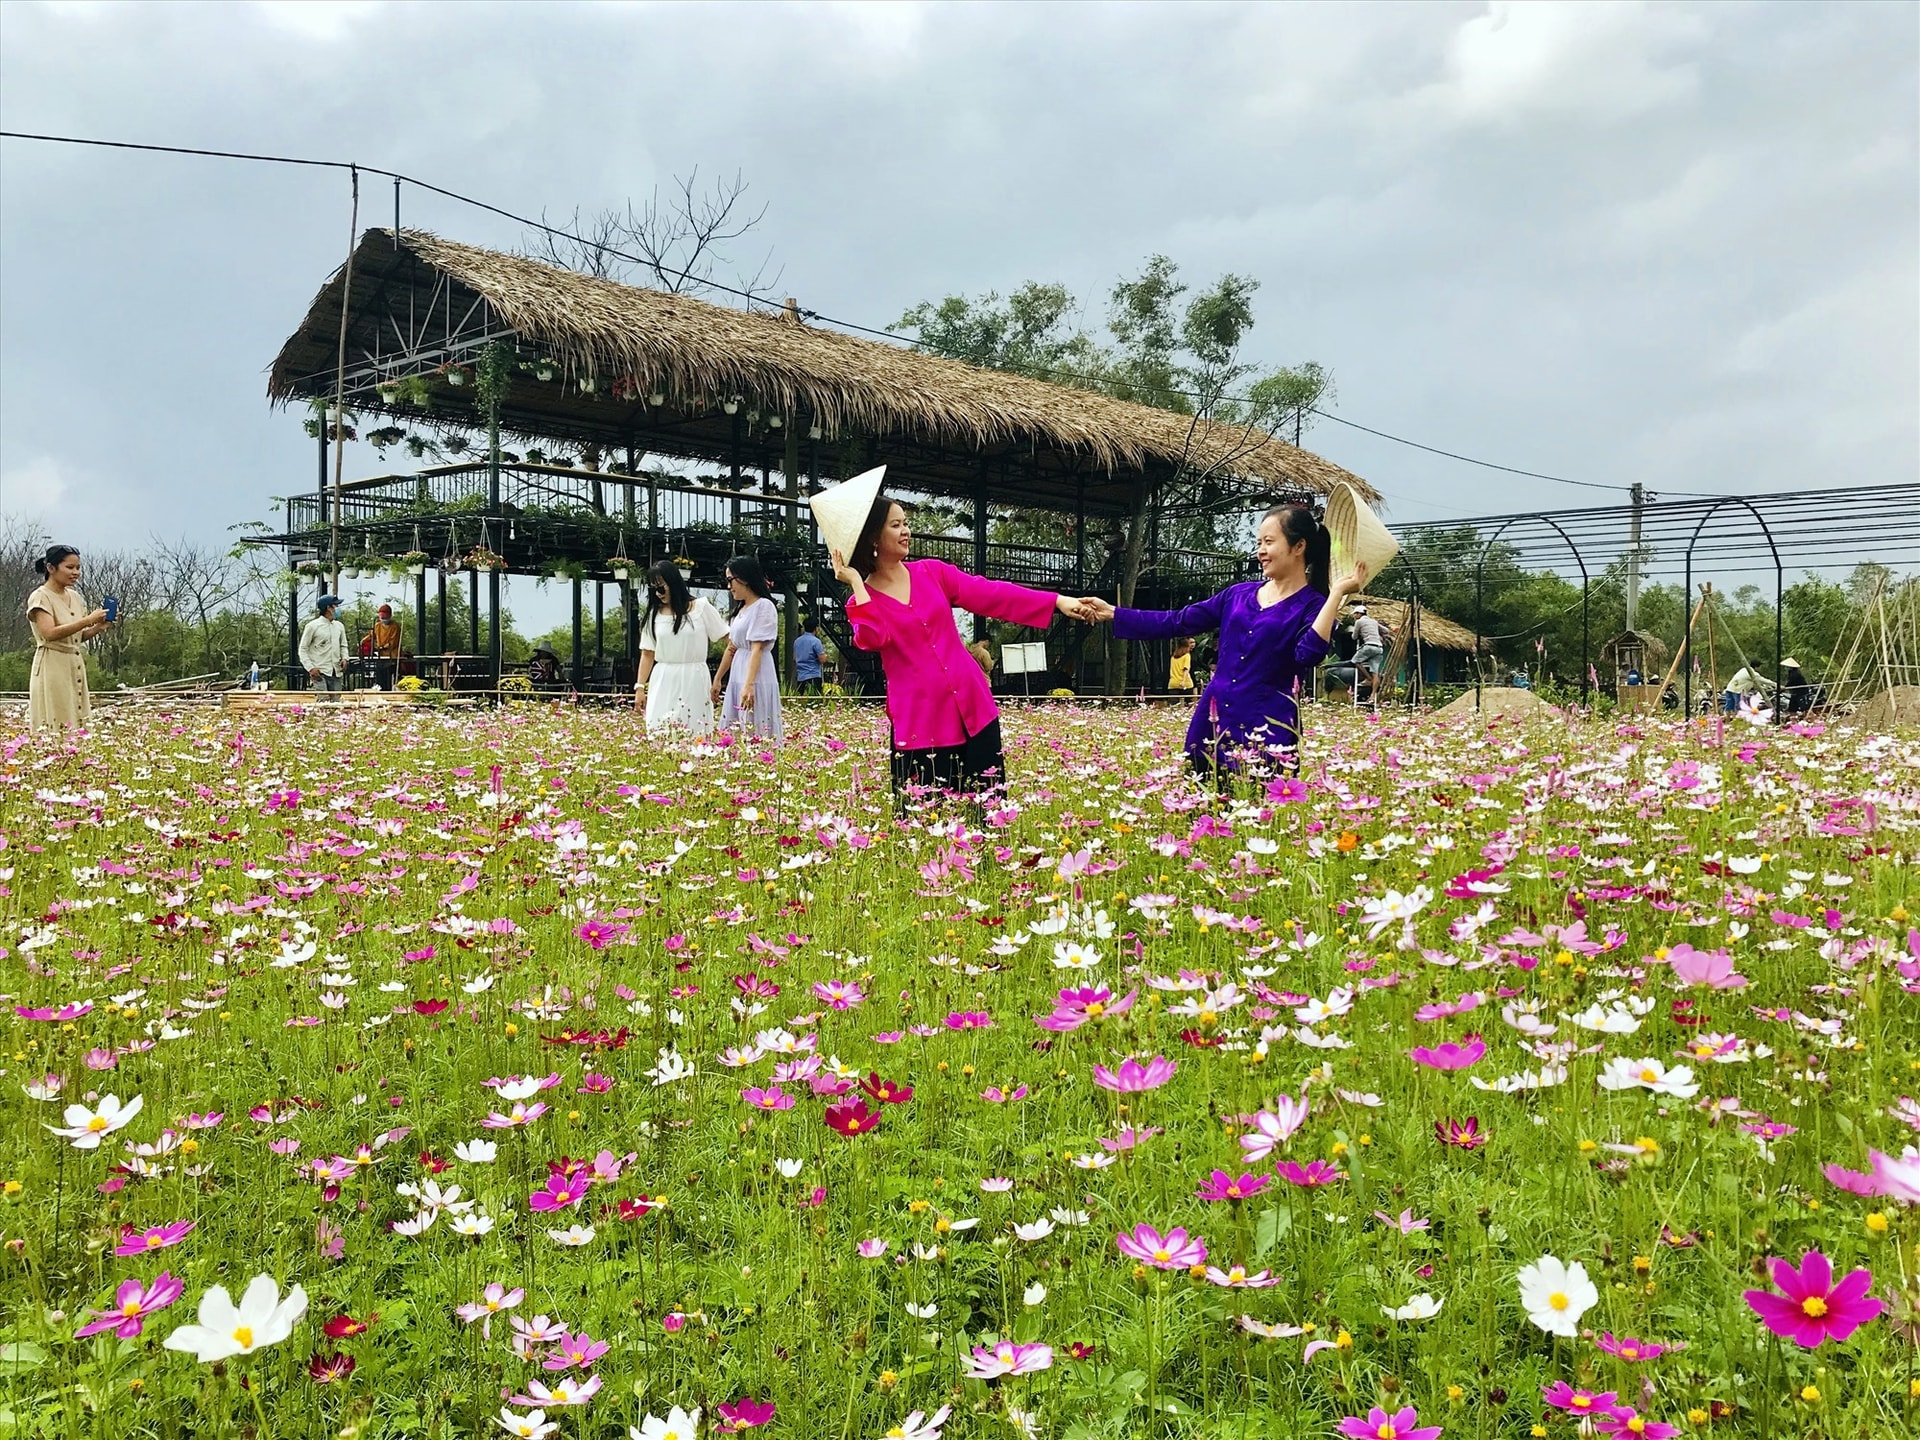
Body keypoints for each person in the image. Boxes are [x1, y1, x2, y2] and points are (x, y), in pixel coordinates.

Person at [831, 491, 1095, 795]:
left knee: (991, 812)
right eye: (895, 525)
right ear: (873, 537)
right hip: (921, 723)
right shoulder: (863, 600)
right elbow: (872, 638)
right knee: (923, 823)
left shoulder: (932, 572)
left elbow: (991, 594)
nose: (906, 531)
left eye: (905, 523)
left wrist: (1057, 601)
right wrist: (855, 582)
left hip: (974, 708)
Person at [1085, 504, 1363, 778]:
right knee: (1200, 812)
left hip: (1268, 729)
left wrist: (1335, 594)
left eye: (1269, 542)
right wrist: (1113, 613)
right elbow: (1177, 621)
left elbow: (1308, 656)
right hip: (1213, 721)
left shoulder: (1314, 607)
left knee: (1259, 814)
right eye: (1259, 542)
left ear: (1299, 546)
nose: (1261, 551)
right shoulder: (1237, 595)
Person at [636, 561, 729, 734]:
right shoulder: (653, 615)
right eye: (653, 590)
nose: (658, 594)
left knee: (695, 728)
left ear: (673, 583)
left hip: (695, 677)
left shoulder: (701, 608)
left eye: (661, 588)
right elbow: (647, 653)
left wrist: (720, 676)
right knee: (659, 728)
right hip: (664, 677)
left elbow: (729, 640)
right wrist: (640, 687)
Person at [26, 544, 110, 731]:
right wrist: (87, 620)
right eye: (70, 567)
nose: (76, 573)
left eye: (78, 568)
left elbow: (75, 638)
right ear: (51, 568)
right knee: (56, 719)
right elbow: (49, 633)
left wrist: (97, 627)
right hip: (52, 665)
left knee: (78, 717)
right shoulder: (40, 597)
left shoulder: (75, 597)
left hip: (74, 663)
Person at [711, 555, 783, 740]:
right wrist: (718, 679)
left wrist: (749, 684)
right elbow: (731, 648)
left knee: (756, 727)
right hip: (738, 673)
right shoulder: (740, 611)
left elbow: (757, 648)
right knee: (734, 729)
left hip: (756, 675)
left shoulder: (763, 606)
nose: (729, 587)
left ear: (744, 578)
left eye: (731, 580)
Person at [299, 595, 349, 694]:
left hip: (336, 671)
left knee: (336, 702)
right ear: (328, 608)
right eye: (335, 606)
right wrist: (310, 668)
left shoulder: (339, 626)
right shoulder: (312, 626)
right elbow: (302, 649)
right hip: (320, 671)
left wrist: (345, 658)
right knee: (322, 702)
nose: (337, 609)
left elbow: (343, 646)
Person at [1349, 603, 1389, 703]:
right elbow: (1386, 630)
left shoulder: (1359, 622)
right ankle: (1372, 695)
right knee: (1375, 672)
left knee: (1355, 661)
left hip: (1369, 646)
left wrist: (1358, 632)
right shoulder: (1374, 621)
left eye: (1355, 614)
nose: (1354, 616)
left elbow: (1354, 637)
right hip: (1379, 648)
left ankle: (1368, 679)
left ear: (1359, 614)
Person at [361, 604, 402, 691]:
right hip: (381, 656)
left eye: (385, 618)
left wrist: (382, 647)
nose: (384, 620)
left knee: (389, 676)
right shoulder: (377, 626)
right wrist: (362, 642)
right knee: (380, 675)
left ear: (390, 616)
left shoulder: (395, 627)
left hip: (392, 656)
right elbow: (371, 636)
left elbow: (393, 642)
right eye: (382, 618)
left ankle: (388, 693)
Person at [794, 616, 827, 694]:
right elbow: (822, 660)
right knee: (815, 702)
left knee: (803, 703)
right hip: (813, 676)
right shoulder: (816, 641)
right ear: (815, 628)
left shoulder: (797, 641)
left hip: (801, 677)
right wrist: (825, 657)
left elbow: (794, 658)